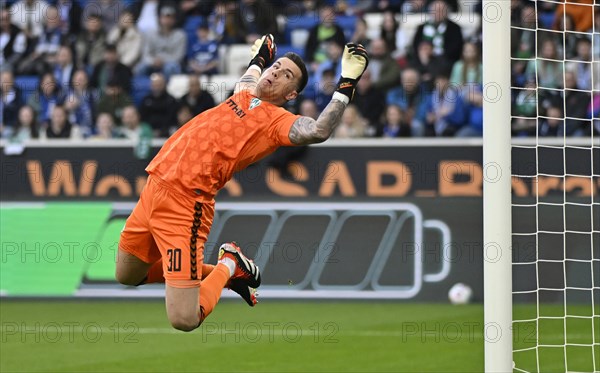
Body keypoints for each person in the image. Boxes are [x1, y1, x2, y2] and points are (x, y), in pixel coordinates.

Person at [115, 34, 369, 331]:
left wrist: (346, 84)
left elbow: (318, 130)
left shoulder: (276, 121)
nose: (276, 71)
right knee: (127, 274)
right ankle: (228, 270)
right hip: (155, 188)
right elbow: (253, 71)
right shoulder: (245, 92)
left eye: (287, 74)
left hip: (185, 206)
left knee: (184, 319)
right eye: (277, 66)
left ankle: (229, 264)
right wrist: (262, 56)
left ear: (291, 95)